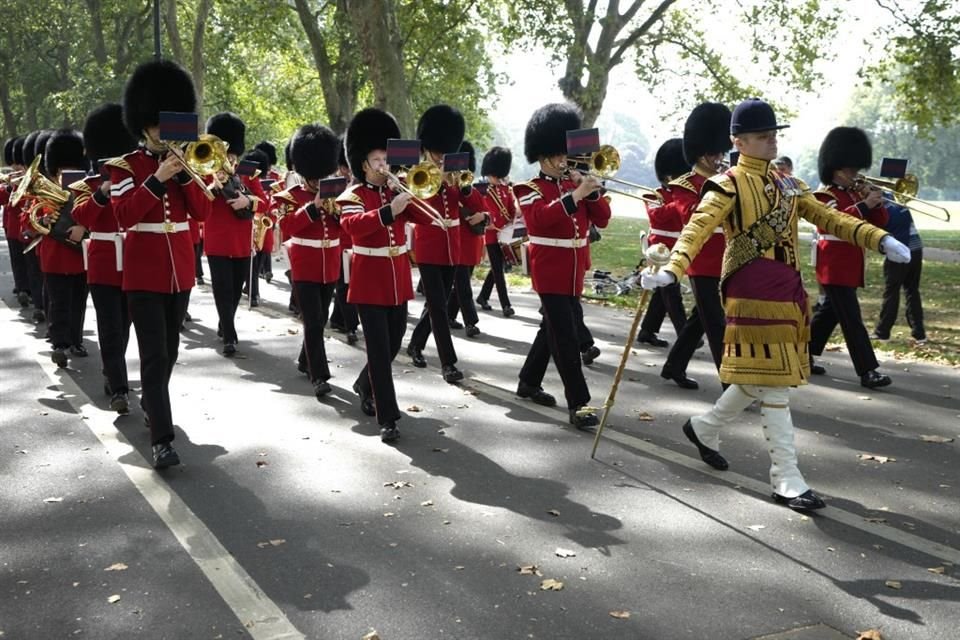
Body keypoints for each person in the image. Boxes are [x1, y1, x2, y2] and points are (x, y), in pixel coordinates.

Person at [641, 98, 911, 510]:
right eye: (763, 136)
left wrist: (879, 239)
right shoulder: (727, 184)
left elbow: (830, 218)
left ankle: (705, 427)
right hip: (751, 294)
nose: (772, 141)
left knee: (757, 378)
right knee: (775, 386)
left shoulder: (787, 183)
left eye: (773, 135)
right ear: (739, 141)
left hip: (788, 293)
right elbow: (697, 229)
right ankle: (786, 476)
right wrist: (673, 271)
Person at [109, 59, 212, 469]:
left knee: (168, 352)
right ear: (144, 124)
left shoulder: (187, 162)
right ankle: (162, 441)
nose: (162, 131)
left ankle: (154, 404)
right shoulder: (124, 167)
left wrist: (183, 174)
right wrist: (156, 178)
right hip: (143, 271)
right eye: (155, 124)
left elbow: (202, 211)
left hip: (179, 270)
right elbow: (123, 215)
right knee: (153, 354)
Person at [513, 102, 611, 429]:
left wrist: (592, 192)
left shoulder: (575, 185)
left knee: (551, 330)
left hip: (573, 269)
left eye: (564, 154)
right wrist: (577, 195)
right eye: (557, 155)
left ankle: (528, 380)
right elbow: (540, 220)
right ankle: (579, 403)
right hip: (549, 269)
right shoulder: (527, 189)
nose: (563, 160)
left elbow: (604, 220)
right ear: (542, 156)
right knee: (566, 337)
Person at [338, 107, 433, 443]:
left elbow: (427, 219)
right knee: (378, 350)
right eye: (377, 160)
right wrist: (388, 210)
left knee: (392, 346)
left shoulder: (396, 190)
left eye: (386, 159)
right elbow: (352, 227)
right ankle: (388, 417)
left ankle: (364, 384)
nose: (383, 166)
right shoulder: (352, 195)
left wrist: (411, 194)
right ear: (362, 163)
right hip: (369, 279)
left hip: (397, 278)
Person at [404, 104, 487, 382]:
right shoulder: (417, 173)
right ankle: (448, 363)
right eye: (437, 151)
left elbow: (475, 204)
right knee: (438, 305)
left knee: (435, 305)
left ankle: (415, 344)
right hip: (429, 244)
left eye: (444, 151)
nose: (441, 156)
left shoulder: (455, 171)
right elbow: (418, 205)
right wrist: (437, 179)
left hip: (453, 246)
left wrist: (462, 186)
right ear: (427, 147)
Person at [808, 127, 893, 388]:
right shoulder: (825, 196)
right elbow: (834, 224)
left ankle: (801, 353)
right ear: (836, 169)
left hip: (850, 264)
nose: (856, 175)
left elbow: (879, 223)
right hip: (833, 264)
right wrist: (863, 205)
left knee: (829, 314)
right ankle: (867, 370)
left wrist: (875, 203)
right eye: (851, 170)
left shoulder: (854, 194)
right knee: (852, 320)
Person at [69, 103, 138, 413]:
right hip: (102, 260)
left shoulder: (134, 180)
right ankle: (120, 388)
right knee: (109, 326)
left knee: (124, 326)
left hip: (134, 259)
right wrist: (102, 194)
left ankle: (113, 372)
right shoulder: (89, 185)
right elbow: (79, 216)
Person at [658, 103, 732, 390]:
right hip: (700, 259)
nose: (719, 158)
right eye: (714, 153)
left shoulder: (727, 179)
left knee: (700, 319)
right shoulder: (684, 184)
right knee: (716, 323)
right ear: (701, 153)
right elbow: (691, 216)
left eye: (720, 152)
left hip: (725, 256)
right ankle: (732, 385)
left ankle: (674, 365)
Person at [275, 124, 343, 399]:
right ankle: (320, 375)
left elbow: (346, 228)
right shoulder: (289, 198)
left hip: (331, 263)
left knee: (321, 318)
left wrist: (338, 212)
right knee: (313, 321)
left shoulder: (338, 193)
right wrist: (313, 206)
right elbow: (288, 227)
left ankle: (306, 360)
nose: (319, 179)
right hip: (305, 264)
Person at [202, 112, 266, 356]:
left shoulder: (249, 172)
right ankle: (229, 334)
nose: (229, 156)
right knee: (222, 287)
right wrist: (212, 186)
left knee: (236, 289)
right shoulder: (207, 170)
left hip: (241, 240)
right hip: (217, 238)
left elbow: (265, 201)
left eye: (232, 152)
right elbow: (199, 200)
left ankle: (224, 321)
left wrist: (247, 201)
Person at [38, 129, 89, 368]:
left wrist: (83, 226)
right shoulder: (44, 190)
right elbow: (29, 217)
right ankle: (59, 343)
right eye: (61, 170)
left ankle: (76, 340)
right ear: (54, 169)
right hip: (55, 255)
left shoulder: (85, 188)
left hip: (79, 255)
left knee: (78, 300)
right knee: (58, 302)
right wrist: (42, 220)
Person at [636, 138, 690, 348]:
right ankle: (685, 335)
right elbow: (657, 216)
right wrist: (679, 201)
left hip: (676, 246)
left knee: (662, 292)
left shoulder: (682, 193)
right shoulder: (654, 194)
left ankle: (647, 331)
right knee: (671, 292)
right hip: (658, 248)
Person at [447, 140, 489, 337]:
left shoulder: (470, 189)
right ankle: (471, 322)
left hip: (472, 243)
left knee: (460, 285)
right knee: (463, 286)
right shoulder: (448, 190)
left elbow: (487, 211)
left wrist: (482, 216)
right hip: (456, 244)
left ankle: (448, 315)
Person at [873, 200, 926, 344]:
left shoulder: (884, 207)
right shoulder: (897, 202)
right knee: (912, 290)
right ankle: (919, 333)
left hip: (901, 250)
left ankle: (883, 332)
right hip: (916, 248)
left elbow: (882, 227)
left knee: (892, 291)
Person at [475, 146, 518, 317]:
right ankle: (505, 305)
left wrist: (515, 219)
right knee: (499, 271)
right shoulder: (483, 191)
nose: (494, 178)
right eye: (493, 175)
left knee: (497, 268)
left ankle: (483, 297)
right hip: (491, 235)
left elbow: (511, 211)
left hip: (504, 234)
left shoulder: (505, 189)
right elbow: (484, 212)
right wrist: (490, 224)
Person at [328, 136, 360, 344]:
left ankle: (337, 319)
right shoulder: (332, 184)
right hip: (340, 241)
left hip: (357, 240)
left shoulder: (359, 184)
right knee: (343, 285)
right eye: (344, 167)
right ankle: (351, 326)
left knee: (350, 284)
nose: (347, 171)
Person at [2, 136, 30, 305]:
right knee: (17, 258)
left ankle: (31, 288)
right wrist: (10, 187)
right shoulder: (12, 179)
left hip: (29, 223)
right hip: (13, 223)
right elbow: (6, 201)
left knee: (30, 261)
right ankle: (22, 287)